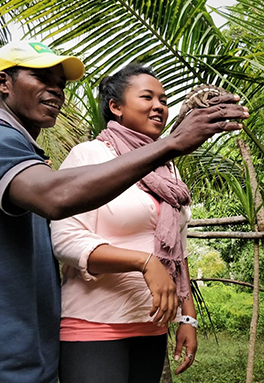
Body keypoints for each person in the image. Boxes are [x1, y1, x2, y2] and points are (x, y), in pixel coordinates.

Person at [0, 41, 248, 383]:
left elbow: (175, 252)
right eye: (42, 78)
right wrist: (173, 142)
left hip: (34, 349)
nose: (56, 91)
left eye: (60, 83)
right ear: (3, 83)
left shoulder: (28, 156)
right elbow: (57, 203)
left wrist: (186, 316)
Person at [51, 64, 245, 383]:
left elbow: (176, 249)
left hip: (152, 326)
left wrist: (187, 317)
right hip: (95, 325)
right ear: (116, 107)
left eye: (164, 100)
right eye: (147, 97)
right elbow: (66, 241)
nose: (159, 106)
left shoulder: (167, 169)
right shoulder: (90, 156)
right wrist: (145, 263)